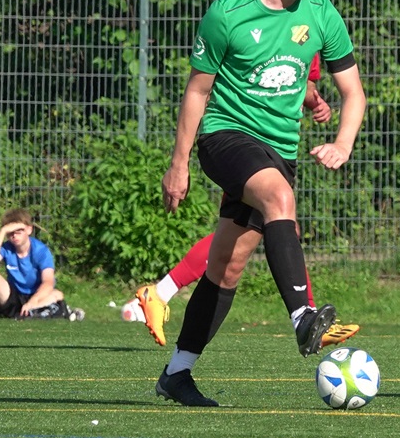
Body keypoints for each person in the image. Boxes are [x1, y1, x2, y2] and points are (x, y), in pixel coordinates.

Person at [156, 0, 367, 406]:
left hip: (279, 149)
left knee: (226, 267)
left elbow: (353, 93)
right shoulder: (228, 14)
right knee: (279, 197)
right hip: (226, 137)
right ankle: (302, 316)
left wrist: (343, 143)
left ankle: (176, 374)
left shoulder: (320, 12)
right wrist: (179, 164)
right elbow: (197, 92)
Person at [121, 59, 358, 349]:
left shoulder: (312, 34)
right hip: (243, 143)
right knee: (271, 221)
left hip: (274, 149)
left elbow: (300, 84)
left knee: (244, 239)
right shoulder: (278, 30)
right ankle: (307, 317)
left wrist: (314, 101)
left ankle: (163, 301)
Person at [0, 208, 84, 321]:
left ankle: (37, 312)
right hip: (14, 297)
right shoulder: (7, 248)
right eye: (10, 232)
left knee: (57, 294)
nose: (14, 236)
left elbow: (48, 282)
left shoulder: (41, 251)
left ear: (29, 230)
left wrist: (32, 302)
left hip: (36, 296)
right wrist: (2, 231)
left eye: (19, 231)